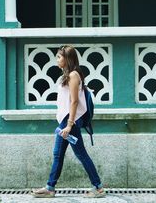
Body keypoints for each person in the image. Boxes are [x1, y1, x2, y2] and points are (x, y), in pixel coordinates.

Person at [31, 45, 105, 198]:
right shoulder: (68, 75)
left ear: (68, 58)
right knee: (58, 154)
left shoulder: (73, 75)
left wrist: (70, 125)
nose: (57, 59)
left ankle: (98, 188)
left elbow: (74, 101)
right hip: (65, 121)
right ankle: (50, 187)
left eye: (59, 56)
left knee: (81, 154)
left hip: (70, 122)